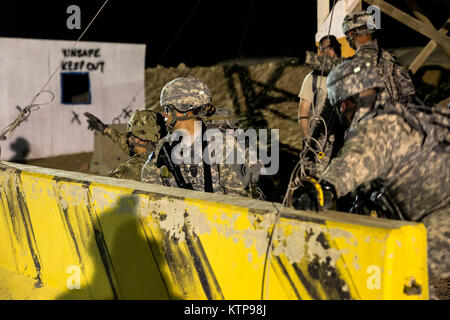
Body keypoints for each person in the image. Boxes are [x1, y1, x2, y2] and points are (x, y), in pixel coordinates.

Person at [295, 58, 449, 299]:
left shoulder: (375, 128)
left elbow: (354, 163)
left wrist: (320, 189)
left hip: (442, 216)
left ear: (345, 103)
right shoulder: (404, 113)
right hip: (436, 210)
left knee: (402, 271)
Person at [141, 75, 263, 198]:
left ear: (184, 110)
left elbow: (238, 198)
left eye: (167, 109)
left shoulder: (223, 144)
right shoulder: (165, 145)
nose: (164, 114)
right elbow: (150, 187)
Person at [305, 10, 415, 104]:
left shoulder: (362, 60)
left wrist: (302, 56)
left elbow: (330, 64)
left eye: (347, 34)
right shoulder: (391, 61)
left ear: (351, 33)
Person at [85, 110, 165, 181]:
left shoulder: (127, 170)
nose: (127, 138)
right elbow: (123, 142)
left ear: (139, 140)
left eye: (129, 135)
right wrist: (104, 129)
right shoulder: (163, 155)